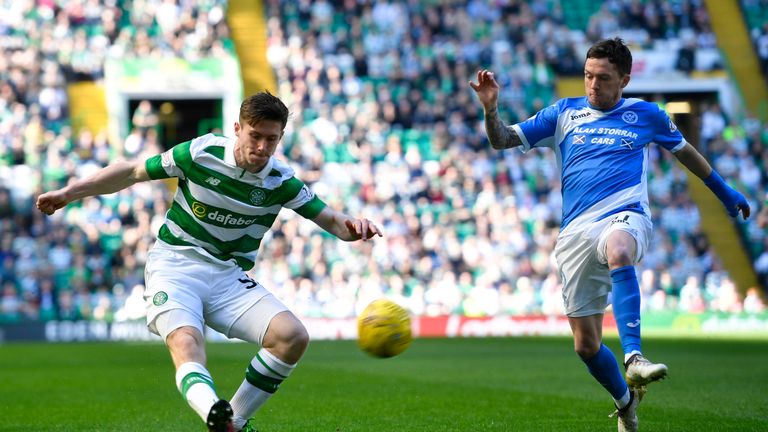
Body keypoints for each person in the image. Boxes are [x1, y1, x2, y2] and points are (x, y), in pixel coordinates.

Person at [36, 91, 383, 432]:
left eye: (271, 140)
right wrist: (68, 194)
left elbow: (333, 221)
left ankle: (233, 422)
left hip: (227, 276)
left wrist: (355, 227)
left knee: (291, 337)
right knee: (186, 340)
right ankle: (212, 411)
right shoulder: (200, 153)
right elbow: (132, 172)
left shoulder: (282, 180)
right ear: (237, 128)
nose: (262, 148)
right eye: (255, 136)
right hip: (174, 265)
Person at [469, 37, 750, 432]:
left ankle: (634, 357)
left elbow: (687, 153)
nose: (592, 85)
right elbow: (500, 140)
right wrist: (491, 107)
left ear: (625, 80)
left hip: (625, 216)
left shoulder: (647, 115)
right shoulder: (563, 113)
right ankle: (626, 402)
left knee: (620, 249)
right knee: (585, 346)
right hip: (575, 234)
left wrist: (726, 193)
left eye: (603, 78)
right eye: (587, 76)